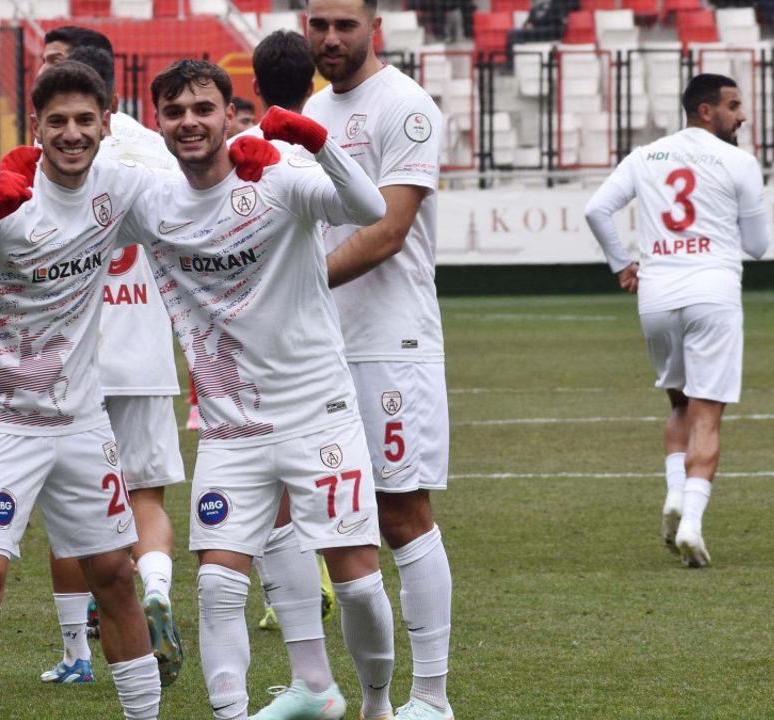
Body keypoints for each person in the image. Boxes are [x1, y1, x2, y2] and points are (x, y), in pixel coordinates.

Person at [121, 59, 391, 720]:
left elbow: (370, 209)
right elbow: (73, 212)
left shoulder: (276, 173)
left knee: (358, 584)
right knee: (216, 586)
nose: (189, 122)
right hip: (230, 429)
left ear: (229, 115)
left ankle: (377, 703)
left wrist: (316, 143)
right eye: (175, 111)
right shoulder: (151, 201)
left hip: (318, 415)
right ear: (158, 122)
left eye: (203, 109)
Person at [0, 60, 164, 720]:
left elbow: (192, 202)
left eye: (84, 120)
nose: (72, 134)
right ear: (36, 126)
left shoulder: (122, 185)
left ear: (106, 123)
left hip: (83, 422)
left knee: (114, 575)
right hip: (2, 422)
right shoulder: (6, 190)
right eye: (57, 122)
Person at [302, 1, 455, 717]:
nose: (332, 38)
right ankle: (370, 701)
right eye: (319, 25)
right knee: (337, 523)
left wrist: (299, 285)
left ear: (374, 29)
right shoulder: (314, 110)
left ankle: (433, 696)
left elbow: (390, 230)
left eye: (345, 25)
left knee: (401, 513)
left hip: (392, 343)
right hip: (321, 347)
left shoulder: (405, 106)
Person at [38, 41, 189, 688]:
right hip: (146, 349)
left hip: (76, 353)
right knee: (146, 495)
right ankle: (153, 589)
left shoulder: (55, 151)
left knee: (67, 507)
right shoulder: (160, 153)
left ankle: (76, 652)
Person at [584, 73, 769, 569]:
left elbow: (597, 210)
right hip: (712, 293)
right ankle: (691, 522)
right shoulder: (739, 162)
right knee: (706, 415)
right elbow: (757, 246)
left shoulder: (646, 155)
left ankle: (673, 494)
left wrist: (622, 264)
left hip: (657, 297)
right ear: (706, 111)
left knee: (679, 404)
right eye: (734, 105)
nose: (742, 115)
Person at [230, 26, 342, 690]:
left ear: (252, 86)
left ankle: (293, 597)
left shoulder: (243, 157)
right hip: (314, 342)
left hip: (247, 346)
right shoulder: (314, 156)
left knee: (258, 492)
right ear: (314, 85)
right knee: (319, 484)